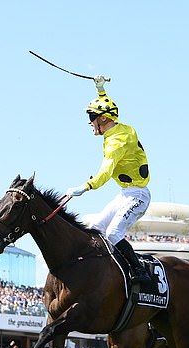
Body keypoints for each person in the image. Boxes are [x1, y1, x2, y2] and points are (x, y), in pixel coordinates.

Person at [66, 75, 151, 284]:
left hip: (138, 196)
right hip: (125, 193)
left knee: (113, 233)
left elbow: (105, 172)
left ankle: (139, 271)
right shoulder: (119, 129)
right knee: (96, 228)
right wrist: (101, 90)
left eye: (92, 118)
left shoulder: (116, 143)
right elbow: (107, 107)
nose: (91, 122)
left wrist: (85, 186)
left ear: (103, 119)